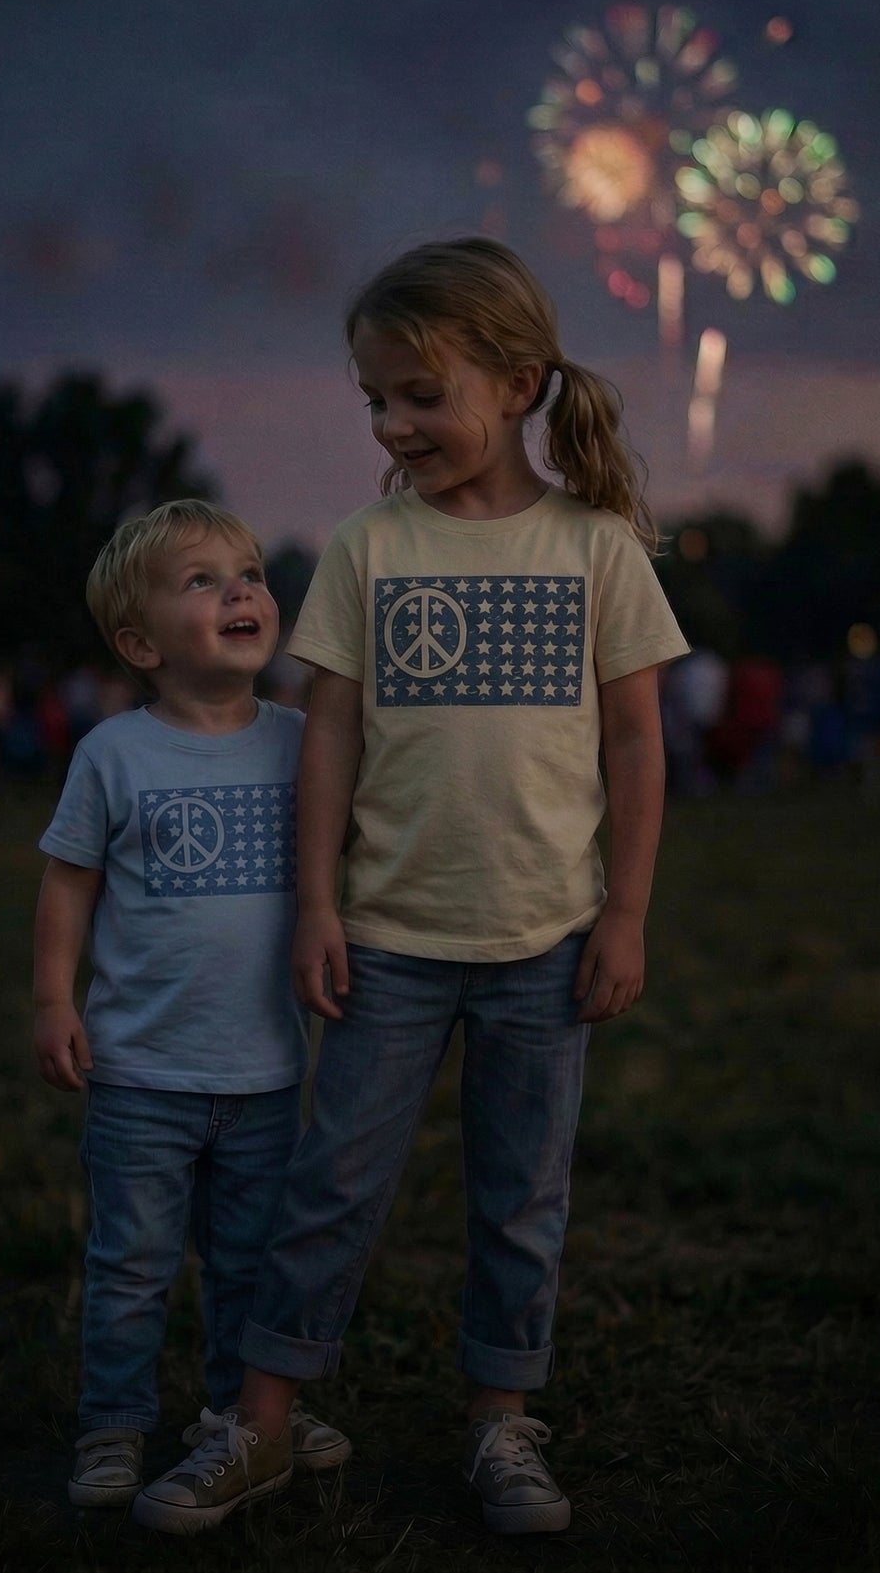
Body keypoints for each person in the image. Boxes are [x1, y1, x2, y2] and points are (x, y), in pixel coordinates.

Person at [223, 236, 688, 1537]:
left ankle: (499, 1421)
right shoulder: (370, 546)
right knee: (333, 1183)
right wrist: (316, 902)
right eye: (375, 398)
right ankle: (259, 1416)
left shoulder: (596, 547)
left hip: (547, 941)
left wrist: (629, 911)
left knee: (521, 1195)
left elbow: (639, 741)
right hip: (387, 939)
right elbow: (327, 731)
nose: (394, 423)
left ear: (520, 382)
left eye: (422, 394)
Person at [31, 498, 350, 1528]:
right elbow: (68, 882)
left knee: (249, 1261)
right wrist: (52, 998)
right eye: (202, 580)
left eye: (249, 571)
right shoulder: (114, 754)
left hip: (264, 1072)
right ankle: (113, 1424)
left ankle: (236, 1416)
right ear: (139, 642)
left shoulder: (303, 742)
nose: (241, 590)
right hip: (140, 1073)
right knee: (130, 1264)